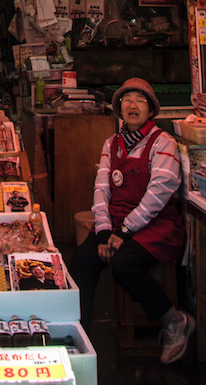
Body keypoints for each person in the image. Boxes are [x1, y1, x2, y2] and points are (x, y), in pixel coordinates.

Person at [68, 77, 195, 365]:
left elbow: (158, 194)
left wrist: (125, 231)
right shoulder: (111, 143)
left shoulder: (163, 143)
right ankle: (80, 339)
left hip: (156, 225)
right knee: (82, 262)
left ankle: (175, 320)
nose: (132, 105)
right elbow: (101, 189)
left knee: (124, 265)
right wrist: (103, 233)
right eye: (126, 100)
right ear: (119, 109)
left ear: (151, 110)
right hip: (113, 224)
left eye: (140, 100)